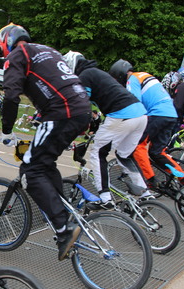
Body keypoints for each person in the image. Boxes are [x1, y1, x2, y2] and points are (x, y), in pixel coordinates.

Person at [0, 25, 92, 261]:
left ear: (6, 41)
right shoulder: (48, 50)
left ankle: (63, 229)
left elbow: (11, 95)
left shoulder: (17, 55)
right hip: (80, 110)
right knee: (45, 162)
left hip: (61, 113)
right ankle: (63, 210)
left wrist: (6, 130)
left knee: (30, 170)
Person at [64, 52, 150, 207]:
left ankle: (105, 198)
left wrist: (71, 130)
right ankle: (145, 193)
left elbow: (82, 106)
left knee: (98, 152)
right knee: (124, 155)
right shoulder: (97, 73)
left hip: (123, 114)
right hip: (140, 115)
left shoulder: (84, 76)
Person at [109, 59, 184, 187]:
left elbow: (134, 102)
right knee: (157, 152)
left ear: (120, 75)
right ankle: (183, 177)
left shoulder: (132, 79)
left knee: (137, 145)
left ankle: (150, 180)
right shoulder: (146, 75)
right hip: (171, 115)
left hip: (157, 114)